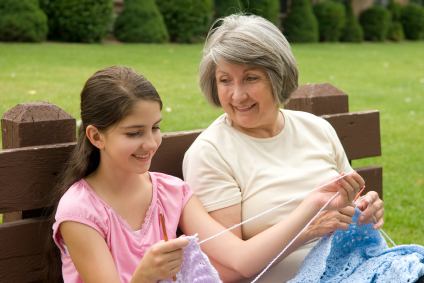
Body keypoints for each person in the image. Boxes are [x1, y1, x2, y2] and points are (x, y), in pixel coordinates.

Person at [44, 66, 361, 283]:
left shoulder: (171, 193)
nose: (150, 143)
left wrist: (311, 209)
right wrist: (143, 276)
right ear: (96, 137)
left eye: (155, 128)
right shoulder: (81, 213)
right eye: (133, 133)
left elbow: (242, 259)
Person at [183, 14, 385, 282]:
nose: (237, 95)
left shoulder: (317, 129)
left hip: (353, 270)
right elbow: (225, 271)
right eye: (225, 80)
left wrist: (366, 209)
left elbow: (349, 202)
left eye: (250, 78)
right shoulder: (211, 153)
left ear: (279, 77)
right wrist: (308, 229)